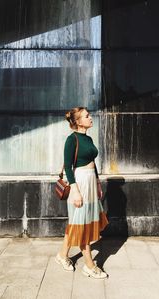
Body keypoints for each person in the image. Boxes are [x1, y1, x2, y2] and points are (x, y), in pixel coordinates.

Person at [55, 107, 109, 279]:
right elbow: (69, 168)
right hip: (80, 183)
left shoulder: (88, 138)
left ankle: (62, 256)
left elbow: (93, 162)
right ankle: (89, 265)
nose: (91, 118)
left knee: (77, 223)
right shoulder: (72, 140)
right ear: (78, 121)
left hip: (91, 182)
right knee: (82, 224)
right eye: (87, 116)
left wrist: (98, 182)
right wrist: (76, 191)